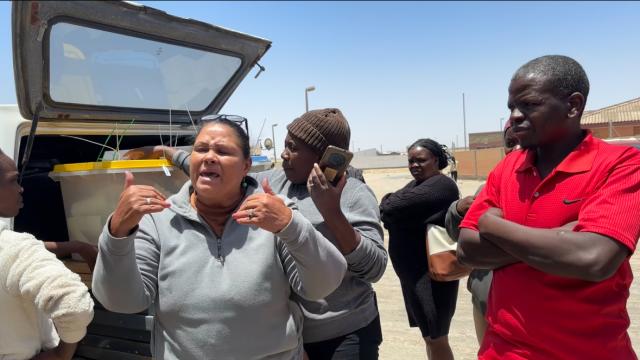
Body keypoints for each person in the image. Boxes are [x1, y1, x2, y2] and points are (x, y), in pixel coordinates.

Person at [135, 110, 387, 359]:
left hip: (343, 332)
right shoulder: (273, 183)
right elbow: (220, 169)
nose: (284, 154)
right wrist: (168, 152)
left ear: (324, 156)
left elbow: (374, 268)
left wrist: (332, 213)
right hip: (294, 333)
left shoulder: (353, 194)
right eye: (285, 145)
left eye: (294, 148)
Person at [458, 55, 640, 359]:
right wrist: (561, 238)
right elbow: (467, 251)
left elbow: (594, 259)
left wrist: (492, 226)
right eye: (511, 107)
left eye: (528, 104)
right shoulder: (507, 169)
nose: (514, 116)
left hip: (592, 351)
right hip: (503, 350)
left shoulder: (620, 164)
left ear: (573, 105)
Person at [0, 148, 94, 360]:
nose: (21, 188)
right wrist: (62, 354)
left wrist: (77, 247)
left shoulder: (14, 249)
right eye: (14, 180)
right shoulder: (15, 249)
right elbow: (75, 307)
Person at [380, 138, 460, 360]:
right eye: (411, 161)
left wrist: (390, 204)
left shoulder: (441, 185)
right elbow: (387, 212)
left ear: (435, 160)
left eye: (421, 160)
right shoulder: (417, 186)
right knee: (428, 336)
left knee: (437, 337)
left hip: (431, 276)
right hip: (414, 275)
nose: (414, 165)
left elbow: (391, 206)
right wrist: (391, 207)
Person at [444, 119, 518, 344]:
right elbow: (461, 240)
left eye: (523, 140)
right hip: (484, 300)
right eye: (510, 141)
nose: (516, 148)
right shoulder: (489, 188)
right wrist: (458, 210)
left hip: (527, 309)